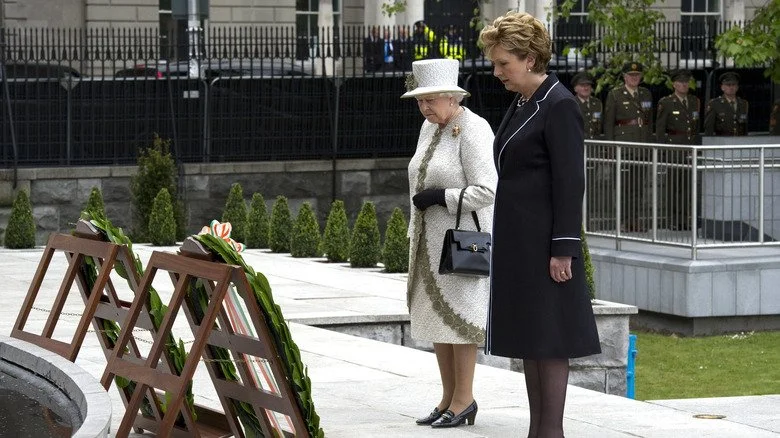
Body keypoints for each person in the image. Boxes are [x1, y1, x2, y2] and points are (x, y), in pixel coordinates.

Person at [479, 11, 601, 438]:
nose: (496, 73)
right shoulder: (524, 101)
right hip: (520, 241)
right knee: (533, 338)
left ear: (529, 58)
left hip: (546, 244)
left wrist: (563, 247)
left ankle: (551, 433)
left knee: (549, 340)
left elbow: (571, 182)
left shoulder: (560, 104)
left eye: (503, 64)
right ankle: (538, 431)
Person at [401, 58, 497, 429]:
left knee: (460, 321)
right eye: (419, 101)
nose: (424, 107)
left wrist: (444, 196)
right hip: (427, 240)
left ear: (452, 97)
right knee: (436, 322)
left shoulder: (473, 128)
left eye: (430, 100)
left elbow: (488, 190)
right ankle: (446, 399)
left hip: (461, 243)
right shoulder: (429, 128)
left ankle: (464, 400)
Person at [604, 61, 654, 232]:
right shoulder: (616, 94)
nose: (635, 78)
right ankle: (625, 220)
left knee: (639, 187)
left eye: (637, 75)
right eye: (631, 75)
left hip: (641, 146)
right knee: (624, 187)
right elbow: (609, 123)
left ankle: (636, 219)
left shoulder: (645, 94)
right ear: (625, 77)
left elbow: (649, 122)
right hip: (624, 147)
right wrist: (611, 147)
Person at [656, 69, 700, 230]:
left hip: (688, 148)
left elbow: (695, 127)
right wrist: (662, 150)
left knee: (687, 187)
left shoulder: (694, 101)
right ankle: (673, 219)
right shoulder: (667, 102)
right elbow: (660, 128)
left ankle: (684, 219)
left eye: (686, 82)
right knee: (673, 187)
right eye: (681, 82)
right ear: (674, 84)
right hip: (673, 148)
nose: (684, 85)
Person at [704, 72, 748, 136]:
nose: (731, 87)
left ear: (737, 87)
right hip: (722, 142)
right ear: (722, 87)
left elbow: (745, 128)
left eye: (733, 85)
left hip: (739, 142)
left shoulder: (743, 104)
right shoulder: (715, 104)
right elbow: (709, 128)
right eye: (728, 85)